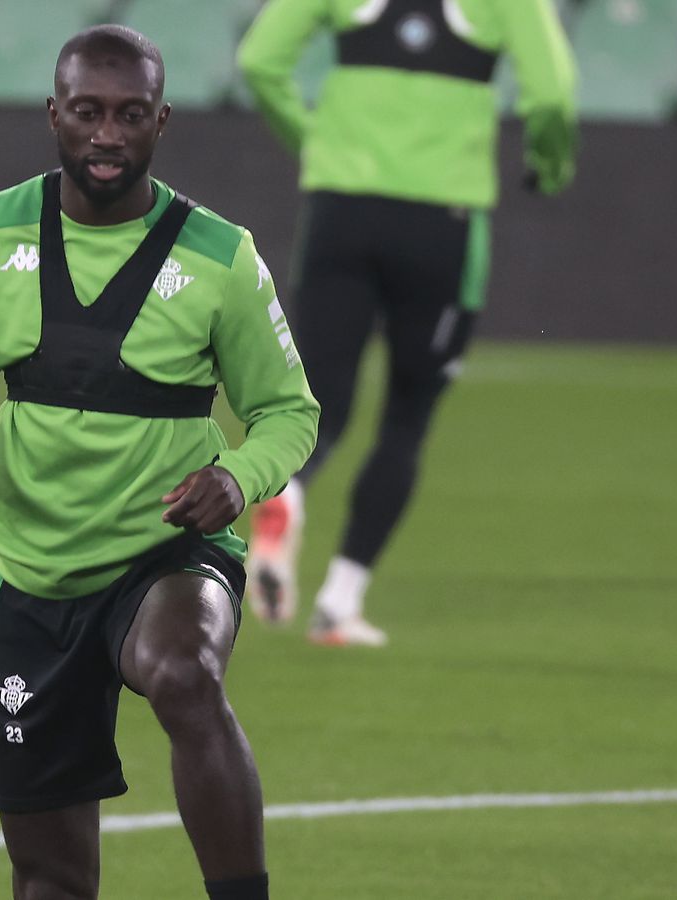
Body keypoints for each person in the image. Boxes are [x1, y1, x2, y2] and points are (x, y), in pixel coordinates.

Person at [0, 26, 316, 900]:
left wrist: (237, 479)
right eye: (89, 113)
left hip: (169, 550)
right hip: (36, 567)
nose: (108, 134)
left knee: (185, 673)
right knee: (50, 879)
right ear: (54, 115)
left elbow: (287, 412)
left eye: (131, 115)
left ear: (162, 122)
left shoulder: (220, 254)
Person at [236, 0, 577, 646]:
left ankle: (292, 493)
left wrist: (316, 143)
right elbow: (554, 95)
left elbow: (258, 60)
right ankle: (340, 604)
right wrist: (551, 161)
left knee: (320, 407)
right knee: (407, 419)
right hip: (442, 221)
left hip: (340, 211)